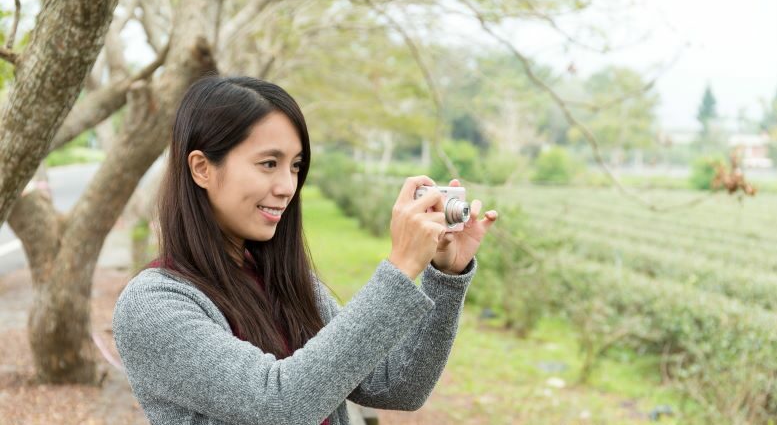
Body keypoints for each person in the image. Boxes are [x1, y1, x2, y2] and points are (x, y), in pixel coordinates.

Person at [112, 75, 498, 425]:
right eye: (268, 163)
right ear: (201, 169)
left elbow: (396, 385)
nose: (287, 186)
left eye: (295, 166)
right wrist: (399, 267)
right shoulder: (154, 304)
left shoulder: (287, 283)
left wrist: (445, 276)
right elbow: (280, 404)